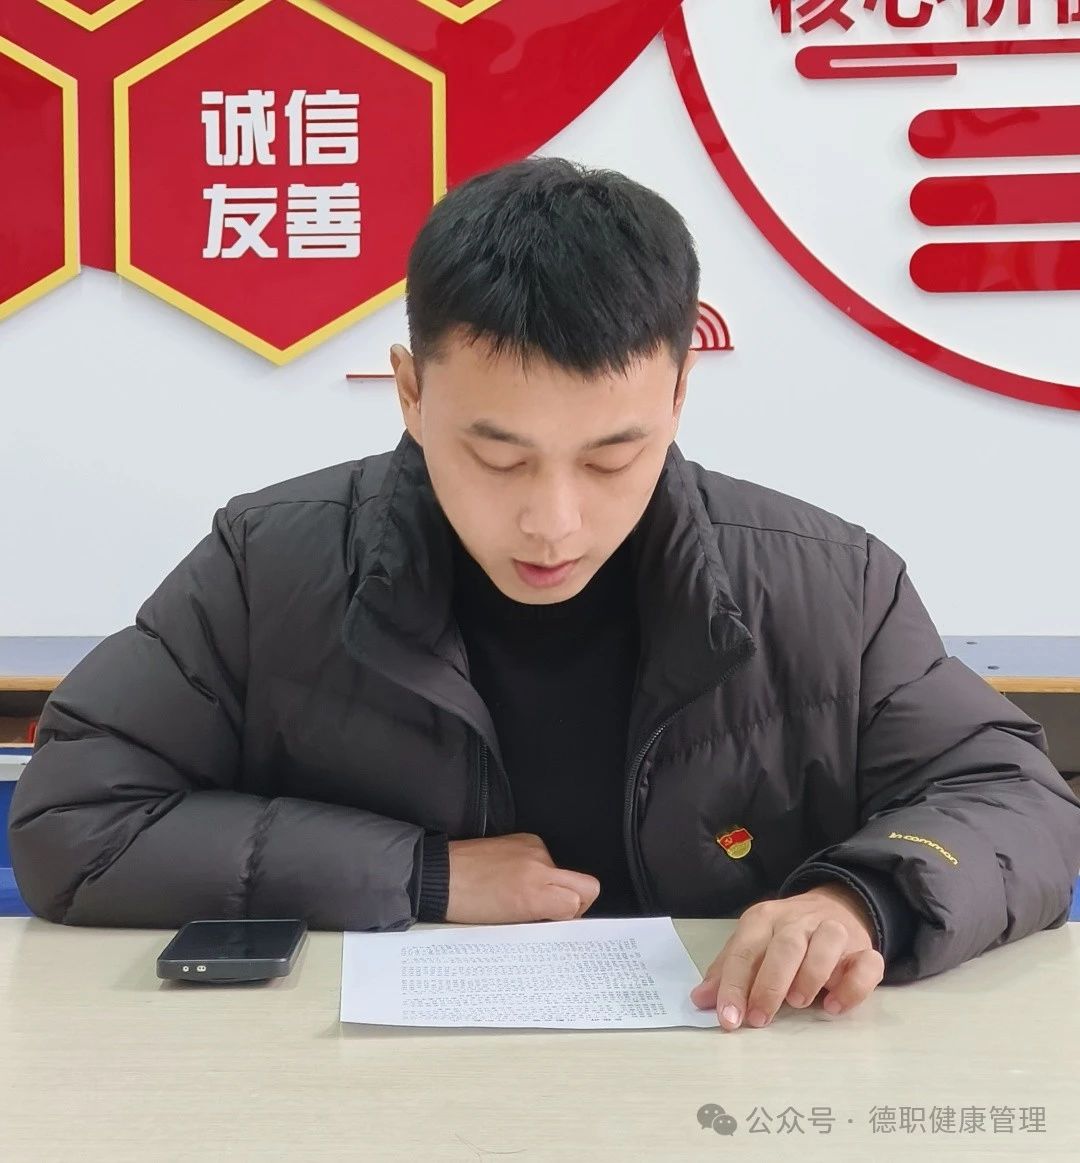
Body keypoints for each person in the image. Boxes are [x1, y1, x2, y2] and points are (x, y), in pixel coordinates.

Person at [10, 158, 1080, 1034]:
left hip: (727, 1080)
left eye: (613, 457)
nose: (554, 522)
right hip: (367, 1094)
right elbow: (74, 818)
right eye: (499, 457)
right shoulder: (269, 567)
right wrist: (421, 876)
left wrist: (862, 896)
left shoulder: (828, 584)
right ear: (411, 391)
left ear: (679, 393)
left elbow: (1018, 799)